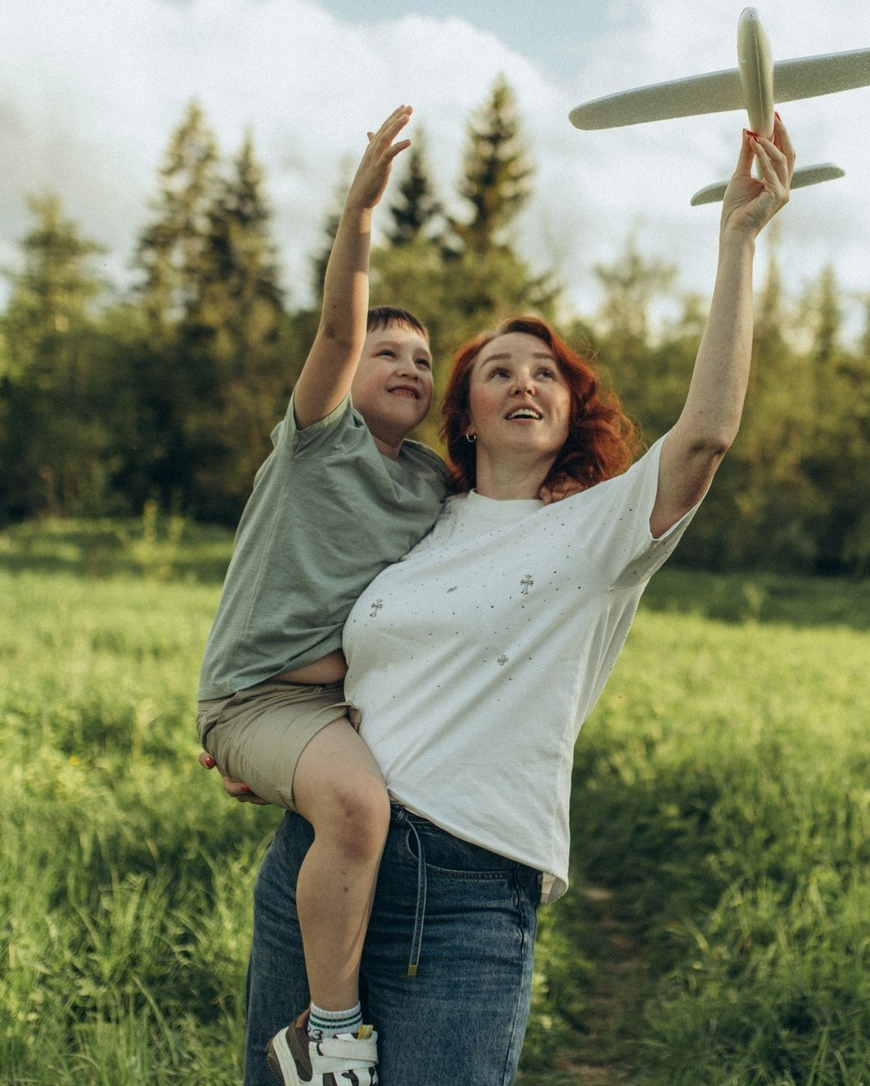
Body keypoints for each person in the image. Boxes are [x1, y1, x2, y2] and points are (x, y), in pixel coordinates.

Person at [229, 116, 796, 1085]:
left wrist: (738, 242)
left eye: (545, 373)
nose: (524, 381)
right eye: (499, 369)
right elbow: (325, 645)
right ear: (466, 410)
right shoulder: (414, 521)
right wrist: (265, 745)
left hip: (467, 896)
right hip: (319, 864)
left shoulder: (602, 530)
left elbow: (703, 435)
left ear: (570, 408)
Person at [196, 105, 449, 1086]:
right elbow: (343, 319)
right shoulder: (317, 438)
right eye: (391, 353)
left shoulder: (429, 482)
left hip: (336, 701)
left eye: (424, 361)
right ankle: (328, 1032)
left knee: (359, 792)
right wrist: (356, 218)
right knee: (354, 798)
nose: (409, 367)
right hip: (257, 698)